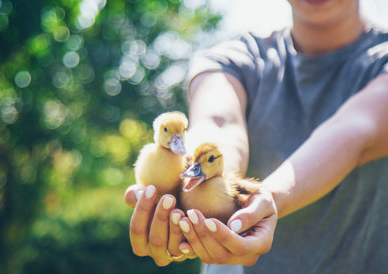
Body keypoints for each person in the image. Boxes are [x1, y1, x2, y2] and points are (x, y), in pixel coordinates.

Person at [125, 0, 388, 273]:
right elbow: (219, 123)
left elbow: (356, 129)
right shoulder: (231, 60)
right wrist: (206, 180)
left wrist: (267, 198)